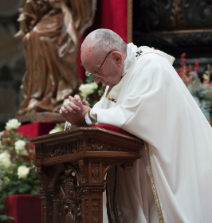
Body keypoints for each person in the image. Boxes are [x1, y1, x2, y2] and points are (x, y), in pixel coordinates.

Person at [60, 28, 212, 223]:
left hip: (174, 174)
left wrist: (88, 115)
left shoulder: (151, 66)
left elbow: (135, 116)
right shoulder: (119, 77)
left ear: (116, 57)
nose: (96, 80)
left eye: (96, 72)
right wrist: (79, 118)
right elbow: (103, 115)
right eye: (91, 74)